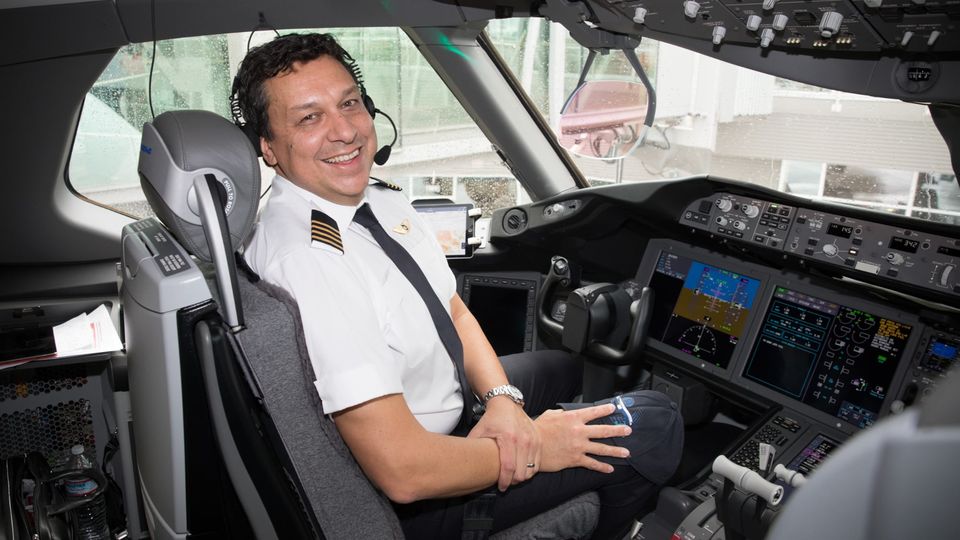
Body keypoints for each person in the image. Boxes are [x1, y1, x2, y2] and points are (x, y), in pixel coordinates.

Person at [236, 32, 682, 539]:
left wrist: (502, 403)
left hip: (450, 414)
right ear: (268, 148)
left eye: (350, 103)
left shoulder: (377, 203)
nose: (345, 132)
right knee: (654, 424)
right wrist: (538, 445)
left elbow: (454, 312)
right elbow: (403, 471)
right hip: (419, 493)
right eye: (309, 118)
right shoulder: (310, 260)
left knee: (563, 366)